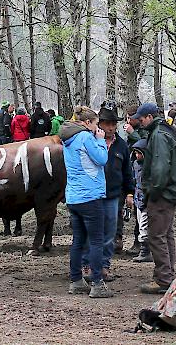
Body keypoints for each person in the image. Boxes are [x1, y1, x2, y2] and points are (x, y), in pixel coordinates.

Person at [59, 106, 112, 298]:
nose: (98, 128)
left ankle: (76, 281)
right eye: (96, 124)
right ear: (87, 123)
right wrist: (100, 140)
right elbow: (102, 159)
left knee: (78, 241)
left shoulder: (67, 139)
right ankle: (97, 284)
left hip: (73, 196)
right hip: (90, 196)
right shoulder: (86, 137)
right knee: (96, 241)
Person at [134, 103, 176, 294]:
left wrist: (152, 192)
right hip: (169, 192)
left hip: (162, 194)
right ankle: (168, 275)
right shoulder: (165, 132)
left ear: (148, 117)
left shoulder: (158, 136)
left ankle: (163, 279)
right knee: (166, 234)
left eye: (141, 118)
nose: (139, 122)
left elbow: (160, 168)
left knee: (156, 236)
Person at [82, 102, 133, 280]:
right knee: (90, 231)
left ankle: (104, 265)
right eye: (107, 124)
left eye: (113, 124)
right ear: (99, 124)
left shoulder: (121, 146)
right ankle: (87, 265)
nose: (111, 127)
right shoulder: (89, 142)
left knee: (110, 232)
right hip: (92, 194)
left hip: (113, 195)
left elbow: (128, 171)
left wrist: (129, 192)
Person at [130, 139, 152, 263]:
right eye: (135, 153)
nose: (137, 156)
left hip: (146, 199)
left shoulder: (149, 166)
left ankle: (145, 251)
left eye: (140, 153)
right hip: (138, 198)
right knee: (140, 223)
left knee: (144, 225)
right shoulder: (135, 164)